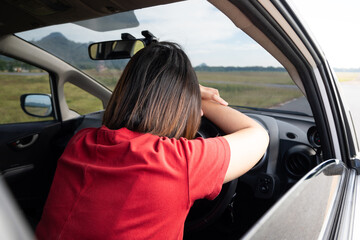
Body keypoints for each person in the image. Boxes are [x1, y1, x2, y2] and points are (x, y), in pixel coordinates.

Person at [36, 42, 269, 240]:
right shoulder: (177, 162)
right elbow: (258, 135)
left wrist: (186, 92)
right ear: (183, 103)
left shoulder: (80, 142)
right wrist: (197, 97)